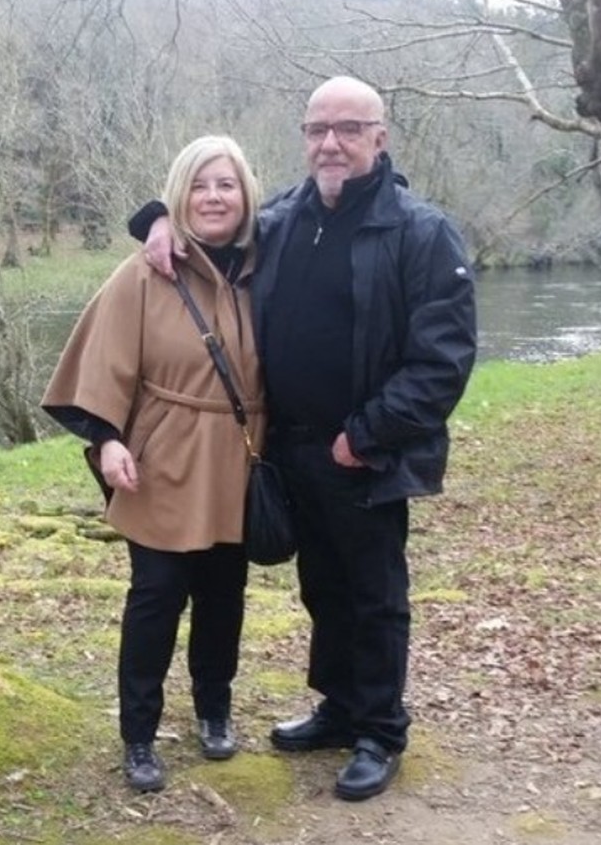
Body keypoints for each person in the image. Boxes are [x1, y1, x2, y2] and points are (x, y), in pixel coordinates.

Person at [135, 76, 477, 801]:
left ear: (379, 137)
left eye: (349, 128)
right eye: (318, 128)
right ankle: (338, 706)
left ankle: (380, 727)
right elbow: (211, 228)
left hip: (365, 451)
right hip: (288, 449)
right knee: (321, 585)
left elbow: (443, 360)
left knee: (374, 592)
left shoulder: (419, 231)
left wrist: (366, 434)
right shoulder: (286, 216)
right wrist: (157, 222)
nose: (331, 142)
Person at [40, 135, 265, 794]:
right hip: (161, 460)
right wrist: (108, 440)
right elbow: (102, 360)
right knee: (156, 598)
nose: (214, 197)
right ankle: (139, 733)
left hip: (239, 459)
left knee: (224, 597)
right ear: (179, 195)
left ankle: (214, 709)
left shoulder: (265, 264)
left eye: (226, 184)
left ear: (246, 194)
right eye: (199, 185)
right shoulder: (146, 270)